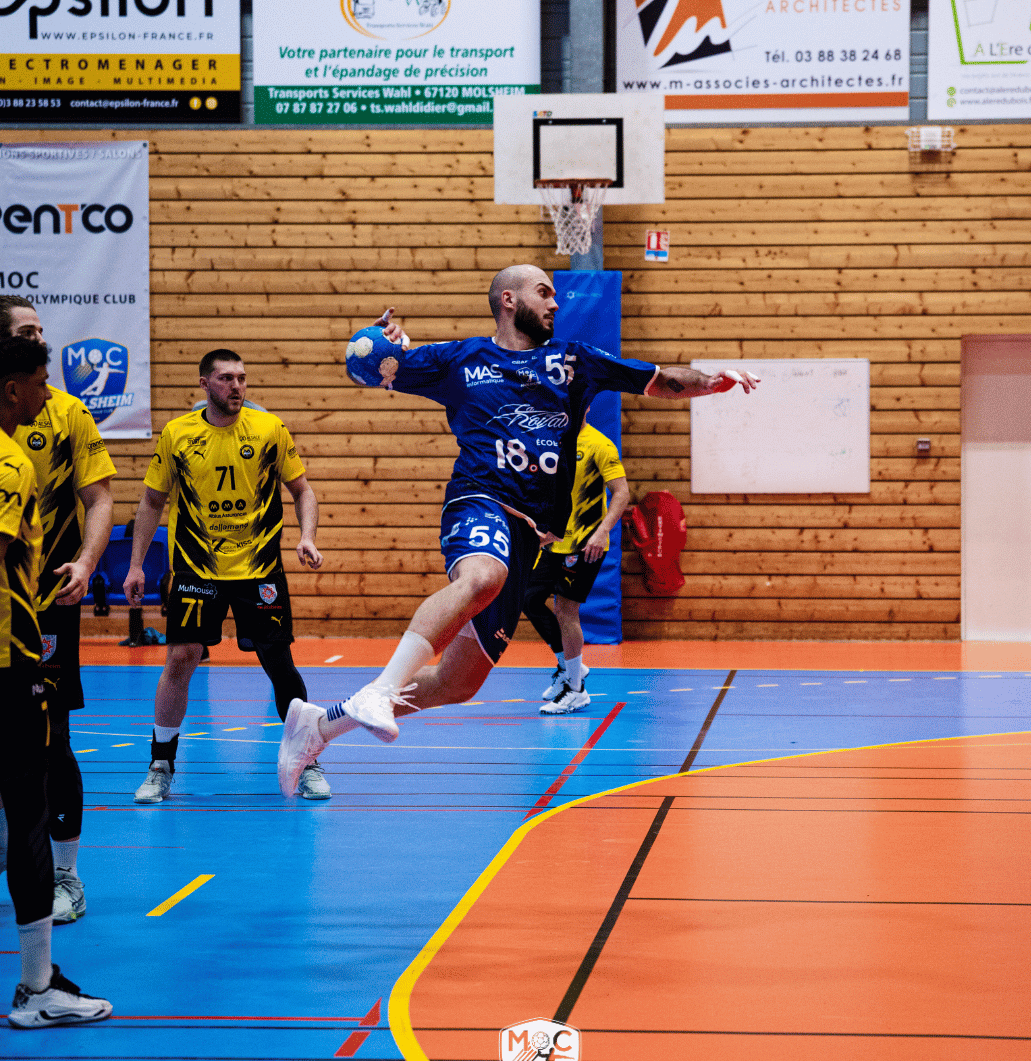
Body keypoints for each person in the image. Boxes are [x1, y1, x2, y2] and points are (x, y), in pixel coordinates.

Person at [278, 264, 759, 795]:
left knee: (456, 683)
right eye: (544, 292)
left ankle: (318, 727)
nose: (555, 303)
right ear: (508, 300)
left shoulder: (574, 361)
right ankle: (381, 688)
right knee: (482, 577)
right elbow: (368, 370)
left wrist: (713, 382)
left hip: (531, 534)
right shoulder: (461, 360)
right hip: (480, 500)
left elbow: (660, 380)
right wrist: (379, 342)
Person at [123, 349, 326, 803]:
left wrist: (307, 536)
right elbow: (152, 501)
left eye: (242, 378)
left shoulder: (269, 430)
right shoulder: (178, 435)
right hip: (197, 567)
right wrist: (136, 565)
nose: (237, 386)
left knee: (279, 663)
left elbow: (302, 490)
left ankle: (308, 761)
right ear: (204, 384)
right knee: (181, 659)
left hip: (259, 568)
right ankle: (160, 766)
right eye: (226, 378)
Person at [0, 336, 111, 1027]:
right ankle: (37, 990)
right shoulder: (11, 463)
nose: (49, 394)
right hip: (10, 663)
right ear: (13, 389)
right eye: (41, 381)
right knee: (28, 814)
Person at [522, 415, 631, 713]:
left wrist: (602, 531)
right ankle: (570, 666)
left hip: (585, 544)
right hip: (554, 540)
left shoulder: (599, 444)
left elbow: (622, 492)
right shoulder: (549, 440)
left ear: (586, 405)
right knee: (529, 599)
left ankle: (576, 690)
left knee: (565, 610)